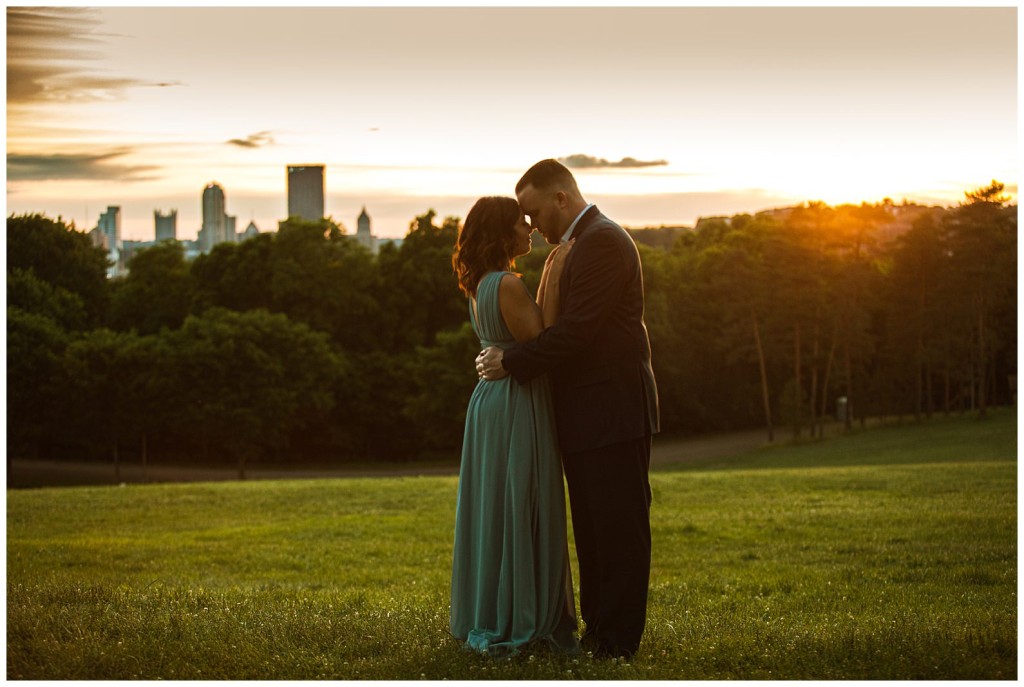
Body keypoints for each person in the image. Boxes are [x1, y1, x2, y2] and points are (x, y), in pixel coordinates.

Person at [476, 159, 660, 659]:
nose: (532, 226)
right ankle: (599, 632)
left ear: (561, 198)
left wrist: (511, 361)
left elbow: (576, 334)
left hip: (612, 408)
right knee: (594, 529)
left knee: (618, 528)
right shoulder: (577, 245)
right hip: (587, 410)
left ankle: (617, 643)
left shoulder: (602, 240)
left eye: (534, 213)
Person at [449, 196, 579, 656]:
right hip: (516, 401)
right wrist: (557, 273)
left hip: (491, 400)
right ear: (503, 232)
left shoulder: (482, 282)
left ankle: (496, 606)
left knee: (499, 505)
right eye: (521, 223)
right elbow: (544, 340)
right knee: (521, 501)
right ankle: (521, 615)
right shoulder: (506, 283)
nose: (530, 229)